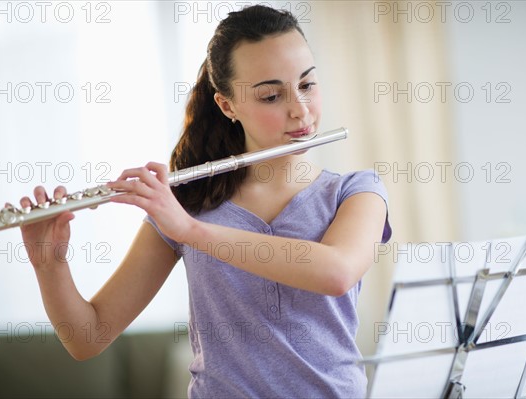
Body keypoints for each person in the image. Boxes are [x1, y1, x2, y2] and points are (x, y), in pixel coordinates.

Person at [20, 5, 392, 398]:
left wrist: (189, 230)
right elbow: (87, 338)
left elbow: (334, 273)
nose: (299, 110)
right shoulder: (189, 204)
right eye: (271, 95)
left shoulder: (357, 192)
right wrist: (50, 265)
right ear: (227, 106)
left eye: (307, 84)